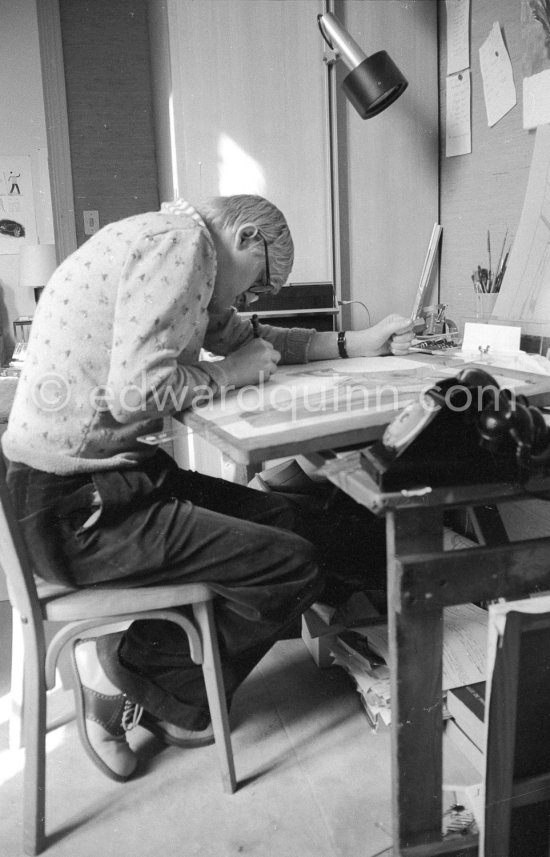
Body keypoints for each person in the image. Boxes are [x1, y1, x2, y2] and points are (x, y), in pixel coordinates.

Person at [2, 194, 413, 782]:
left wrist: (353, 343)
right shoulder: (182, 245)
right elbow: (136, 393)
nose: (250, 301)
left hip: (99, 481)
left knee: (286, 517)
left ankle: (165, 681)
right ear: (247, 238)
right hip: (75, 509)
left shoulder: (175, 244)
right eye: (258, 285)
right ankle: (117, 676)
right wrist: (228, 374)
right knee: (293, 564)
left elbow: (249, 337)